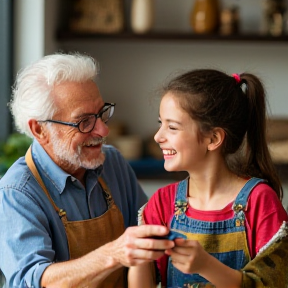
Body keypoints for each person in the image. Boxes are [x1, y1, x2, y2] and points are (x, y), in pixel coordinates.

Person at [0, 52, 175, 288]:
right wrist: (113, 253)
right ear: (40, 130)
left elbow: (146, 239)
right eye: (84, 121)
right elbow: (32, 282)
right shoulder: (16, 193)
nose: (103, 130)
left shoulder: (111, 162)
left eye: (101, 113)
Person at [128, 69, 288, 288]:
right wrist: (137, 257)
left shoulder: (260, 202)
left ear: (213, 138)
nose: (158, 136)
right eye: (160, 123)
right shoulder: (161, 203)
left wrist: (206, 265)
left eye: (172, 127)